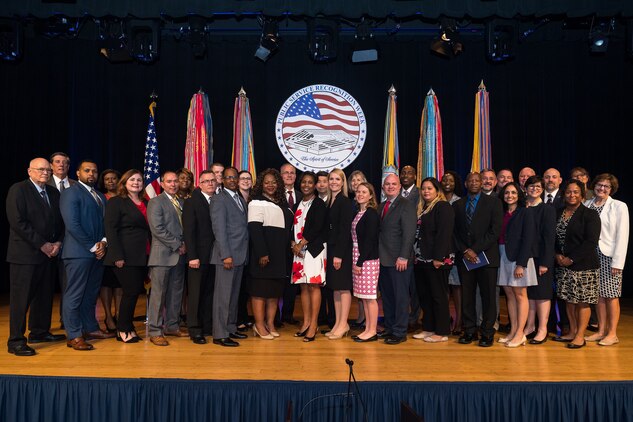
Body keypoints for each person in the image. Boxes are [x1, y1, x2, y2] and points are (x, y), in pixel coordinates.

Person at [6, 158, 66, 356]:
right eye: (41, 169)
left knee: (44, 296)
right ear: (29, 171)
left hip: (49, 254)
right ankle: (15, 340)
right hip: (25, 255)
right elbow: (17, 222)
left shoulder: (53, 192)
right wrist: (42, 244)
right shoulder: (19, 189)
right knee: (21, 300)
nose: (45, 173)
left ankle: (39, 332)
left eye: (48, 170)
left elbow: (60, 221)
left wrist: (57, 242)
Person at [60, 159, 115, 351]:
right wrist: (93, 246)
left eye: (94, 171)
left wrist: (104, 243)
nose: (91, 174)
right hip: (78, 253)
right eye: (87, 171)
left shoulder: (100, 195)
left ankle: (90, 328)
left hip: (98, 253)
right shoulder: (71, 193)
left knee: (91, 294)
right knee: (74, 295)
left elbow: (106, 223)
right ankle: (74, 335)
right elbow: (72, 224)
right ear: (78, 173)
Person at [453, 172, 503, 347]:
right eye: (470, 181)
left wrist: (475, 250)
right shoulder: (458, 204)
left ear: (482, 183)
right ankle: (470, 331)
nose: (474, 183)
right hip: (465, 258)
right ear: (466, 184)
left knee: (488, 297)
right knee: (467, 296)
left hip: (487, 258)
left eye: (477, 180)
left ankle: (487, 332)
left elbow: (494, 231)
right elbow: (454, 232)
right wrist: (466, 250)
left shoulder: (494, 203)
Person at [552, 180, 601, 349]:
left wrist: (571, 259)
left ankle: (580, 336)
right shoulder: (558, 213)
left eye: (575, 192)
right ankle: (572, 331)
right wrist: (557, 255)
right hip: (562, 265)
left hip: (583, 266)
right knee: (568, 301)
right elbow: (553, 238)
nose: (572, 195)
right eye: (568, 192)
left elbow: (591, 242)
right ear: (564, 194)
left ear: (582, 195)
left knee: (582, 302)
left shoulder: (590, 215)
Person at [103, 169, 150, 343]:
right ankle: (123, 329)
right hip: (124, 255)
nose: (136, 183)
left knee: (134, 292)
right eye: (132, 180)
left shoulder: (145, 201)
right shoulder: (116, 202)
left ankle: (127, 327)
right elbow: (111, 230)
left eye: (139, 180)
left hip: (143, 254)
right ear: (124, 182)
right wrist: (117, 255)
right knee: (130, 292)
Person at [247, 169, 293, 340]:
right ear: (261, 184)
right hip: (264, 256)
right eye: (267, 182)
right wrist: (262, 253)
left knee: (274, 293)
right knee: (260, 292)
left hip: (279, 256)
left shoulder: (282, 203)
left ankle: (270, 323)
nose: (270, 185)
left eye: (274, 182)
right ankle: (259, 325)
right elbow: (254, 230)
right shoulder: (256, 202)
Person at [583, 174, 629, 346]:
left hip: (609, 256)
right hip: (590, 256)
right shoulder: (587, 204)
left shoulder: (619, 206)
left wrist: (618, 262)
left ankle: (612, 333)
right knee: (598, 296)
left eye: (606, 186)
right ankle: (601, 330)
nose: (602, 188)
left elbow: (622, 235)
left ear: (611, 189)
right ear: (594, 186)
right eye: (600, 185)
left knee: (611, 295)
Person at [146, 171, 188, 346]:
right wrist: (178, 244)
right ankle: (155, 330)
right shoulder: (156, 202)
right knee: (158, 295)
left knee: (176, 293)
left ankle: (172, 325)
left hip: (179, 256)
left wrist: (185, 244)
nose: (173, 184)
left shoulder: (182, 202)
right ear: (162, 184)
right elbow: (158, 229)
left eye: (175, 181)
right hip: (162, 256)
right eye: (169, 181)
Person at [411, 177, 454, 343]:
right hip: (421, 260)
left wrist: (438, 257)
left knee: (439, 296)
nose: (426, 191)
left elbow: (444, 234)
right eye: (423, 189)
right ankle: (428, 328)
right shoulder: (423, 208)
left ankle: (442, 331)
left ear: (437, 190)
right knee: (425, 296)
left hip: (437, 260)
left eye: (430, 188)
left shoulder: (443, 207)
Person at [210, 167, 249, 347]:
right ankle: (220, 334)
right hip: (227, 256)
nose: (232, 180)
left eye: (235, 177)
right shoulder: (219, 199)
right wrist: (225, 255)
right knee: (223, 297)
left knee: (233, 296)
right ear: (222, 180)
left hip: (240, 255)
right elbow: (219, 230)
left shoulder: (239, 198)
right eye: (228, 177)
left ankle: (230, 328)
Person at [496, 182, 537, 348]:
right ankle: (513, 331)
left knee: (520, 295)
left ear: (519, 195)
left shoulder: (525, 212)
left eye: (513, 193)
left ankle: (521, 333)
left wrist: (521, 264)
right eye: (507, 193)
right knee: (510, 295)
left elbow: (528, 239)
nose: (510, 196)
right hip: (503, 255)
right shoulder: (502, 212)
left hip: (520, 258)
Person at [377, 173, 417, 345]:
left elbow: (409, 233)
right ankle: (390, 327)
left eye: (394, 184)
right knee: (387, 296)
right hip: (383, 259)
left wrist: (403, 256)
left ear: (399, 186)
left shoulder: (406, 205)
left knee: (401, 297)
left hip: (399, 260)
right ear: (383, 187)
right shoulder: (381, 206)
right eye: (387, 184)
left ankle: (400, 331)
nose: (390, 187)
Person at [291, 172, 327, 342]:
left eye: (310, 182)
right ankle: (305, 322)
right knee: (303, 288)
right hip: (298, 251)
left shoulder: (319, 204)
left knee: (313, 286)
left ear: (315, 185)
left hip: (313, 250)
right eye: (304, 182)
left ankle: (314, 324)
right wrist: (293, 244)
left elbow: (317, 227)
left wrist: (301, 244)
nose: (306, 185)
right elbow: (294, 226)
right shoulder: (299, 202)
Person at [182, 170, 217, 344]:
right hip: (198, 257)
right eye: (206, 181)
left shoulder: (218, 200)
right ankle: (194, 329)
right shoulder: (192, 202)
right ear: (200, 184)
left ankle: (207, 325)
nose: (210, 183)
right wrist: (192, 256)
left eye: (213, 180)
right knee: (195, 293)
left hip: (214, 257)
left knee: (209, 293)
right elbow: (189, 231)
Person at [523, 176, 556, 345]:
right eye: (531, 186)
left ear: (542, 189)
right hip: (524, 258)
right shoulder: (522, 207)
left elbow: (550, 238)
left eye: (537, 186)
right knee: (529, 294)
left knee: (542, 294)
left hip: (540, 258)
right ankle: (530, 326)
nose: (534, 189)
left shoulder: (547, 209)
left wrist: (545, 262)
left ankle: (542, 328)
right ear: (525, 188)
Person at [47, 151, 76, 329]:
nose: (61, 165)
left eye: (65, 162)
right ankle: (41, 327)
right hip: (48, 245)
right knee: (45, 287)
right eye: (57, 162)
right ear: (51, 165)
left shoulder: (75, 186)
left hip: (71, 244)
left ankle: (67, 321)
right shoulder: (43, 184)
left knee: (69, 286)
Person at [325, 168, 353, 339]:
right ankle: (338, 323)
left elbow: (344, 230)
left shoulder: (344, 201)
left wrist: (339, 254)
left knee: (343, 287)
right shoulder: (330, 201)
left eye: (337, 179)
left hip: (340, 250)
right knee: (335, 288)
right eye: (331, 179)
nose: (334, 182)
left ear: (343, 183)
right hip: (332, 248)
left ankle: (344, 323)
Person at [350, 182, 380, 342]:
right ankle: (368, 328)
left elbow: (369, 241)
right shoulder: (358, 213)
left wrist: (360, 262)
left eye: (364, 192)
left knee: (370, 297)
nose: (360, 194)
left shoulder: (371, 214)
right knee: (364, 297)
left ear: (370, 195)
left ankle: (372, 330)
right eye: (358, 192)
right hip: (358, 256)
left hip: (367, 259)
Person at [98, 169, 122, 334]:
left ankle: (119, 315)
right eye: (107, 179)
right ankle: (108, 316)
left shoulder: (125, 198)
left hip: (123, 244)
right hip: (106, 244)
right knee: (106, 283)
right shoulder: (100, 198)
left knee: (120, 283)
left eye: (114, 178)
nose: (111, 181)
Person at [441, 170, 463, 334]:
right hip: (439, 251)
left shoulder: (460, 202)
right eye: (444, 179)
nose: (447, 182)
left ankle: (459, 322)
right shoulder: (436, 200)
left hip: (455, 251)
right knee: (442, 289)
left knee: (456, 287)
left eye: (451, 180)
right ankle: (444, 320)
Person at [280, 163, 301, 325]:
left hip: (299, 248)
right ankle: (274, 317)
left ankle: (288, 315)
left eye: (292, 173)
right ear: (280, 176)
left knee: (293, 284)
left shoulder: (303, 196)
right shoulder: (274, 196)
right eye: (285, 173)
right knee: (279, 282)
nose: (289, 175)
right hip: (280, 245)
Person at [347, 170, 368, 326]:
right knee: (357, 288)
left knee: (364, 291)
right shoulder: (351, 203)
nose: (355, 182)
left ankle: (363, 318)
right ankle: (360, 317)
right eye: (353, 180)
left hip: (364, 253)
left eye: (359, 180)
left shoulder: (367, 207)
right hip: (351, 250)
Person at [236, 170, 254, 332]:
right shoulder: (234, 198)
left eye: (248, 178)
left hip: (251, 248)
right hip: (238, 248)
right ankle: (238, 318)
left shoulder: (254, 198)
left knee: (247, 286)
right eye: (242, 178)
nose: (246, 181)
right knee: (238, 286)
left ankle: (244, 315)